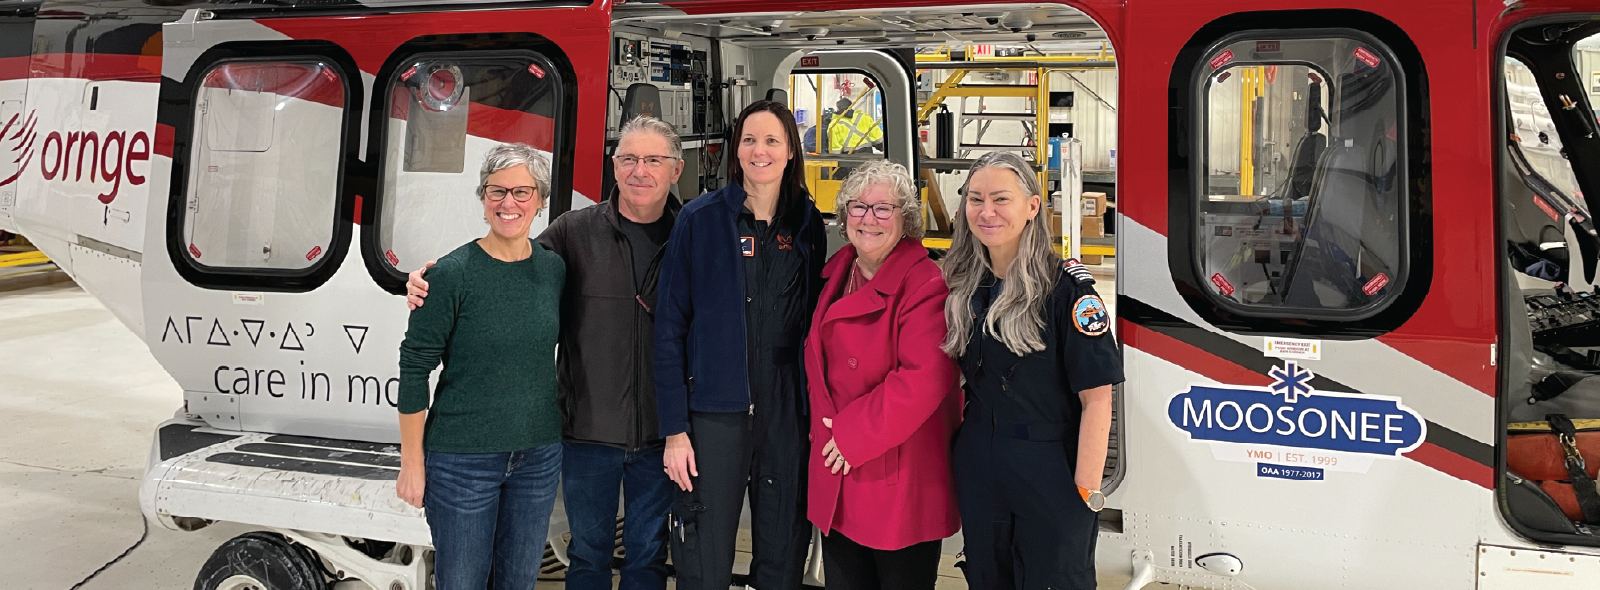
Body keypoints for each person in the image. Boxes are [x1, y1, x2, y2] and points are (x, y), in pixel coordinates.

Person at [406, 116, 686, 590]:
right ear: (613, 167)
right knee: (588, 557)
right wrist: (420, 280)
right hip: (586, 435)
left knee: (648, 559)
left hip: (662, 435)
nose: (640, 170)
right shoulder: (573, 232)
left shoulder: (693, 232)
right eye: (629, 159)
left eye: (653, 160)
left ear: (676, 170)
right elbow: (508, 262)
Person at [655, 100, 827, 590]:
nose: (759, 151)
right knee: (702, 562)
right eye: (749, 140)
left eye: (772, 140)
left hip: (785, 419)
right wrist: (675, 431)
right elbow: (669, 329)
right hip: (713, 418)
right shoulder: (699, 220)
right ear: (736, 151)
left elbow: (816, 329)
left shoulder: (806, 224)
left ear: (792, 151)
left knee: (782, 556)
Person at [941, 151, 1122, 589]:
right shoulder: (964, 286)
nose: (986, 212)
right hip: (981, 463)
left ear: (1033, 207)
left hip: (1049, 470)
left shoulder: (1067, 292)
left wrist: (1084, 493)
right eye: (975, 199)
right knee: (986, 577)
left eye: (1001, 199)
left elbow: (1098, 399)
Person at [395, 143, 565, 590]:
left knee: (518, 582)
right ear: (483, 198)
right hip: (462, 460)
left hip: (538, 457)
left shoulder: (553, 270)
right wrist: (411, 462)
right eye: (497, 191)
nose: (509, 203)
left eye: (522, 192)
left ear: (541, 200)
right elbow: (415, 366)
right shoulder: (451, 274)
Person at [804, 160, 961, 590]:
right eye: (857, 207)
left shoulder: (925, 283)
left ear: (906, 219)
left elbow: (923, 380)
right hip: (839, 471)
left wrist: (850, 437)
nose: (868, 219)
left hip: (894, 479)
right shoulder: (838, 271)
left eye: (883, 209)